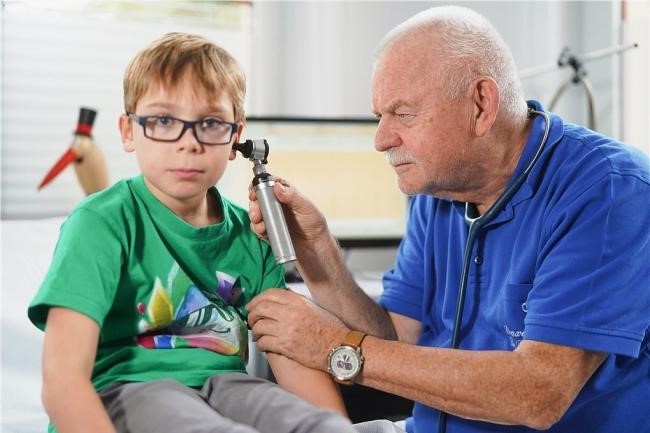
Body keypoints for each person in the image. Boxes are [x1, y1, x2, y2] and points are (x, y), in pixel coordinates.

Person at [246, 6, 650, 433]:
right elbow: (398, 341)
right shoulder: (438, 191)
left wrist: (333, 348)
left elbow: (539, 393)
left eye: (402, 114)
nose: (381, 140)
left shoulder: (608, 191)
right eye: (378, 116)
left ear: (481, 104)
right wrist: (317, 251)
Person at [27, 32, 361, 433]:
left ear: (235, 137)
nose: (188, 143)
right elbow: (62, 382)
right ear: (128, 131)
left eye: (210, 123)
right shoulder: (101, 223)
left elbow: (292, 362)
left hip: (227, 388)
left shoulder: (251, 236)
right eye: (164, 120)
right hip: (126, 392)